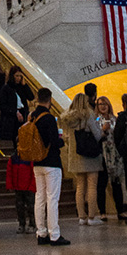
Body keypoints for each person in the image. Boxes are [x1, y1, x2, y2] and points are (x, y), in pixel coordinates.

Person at [25, 87, 68, 245]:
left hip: (37, 162)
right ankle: (54, 234)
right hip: (51, 163)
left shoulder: (32, 116)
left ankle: (41, 233)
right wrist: (62, 140)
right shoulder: (48, 118)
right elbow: (54, 142)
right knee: (52, 198)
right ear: (49, 99)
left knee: (40, 197)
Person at [63, 86, 105, 224]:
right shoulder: (89, 115)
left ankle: (81, 217)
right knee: (92, 186)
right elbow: (97, 135)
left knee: (80, 187)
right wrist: (103, 131)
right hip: (90, 155)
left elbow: (66, 138)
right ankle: (92, 217)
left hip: (75, 156)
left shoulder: (68, 119)